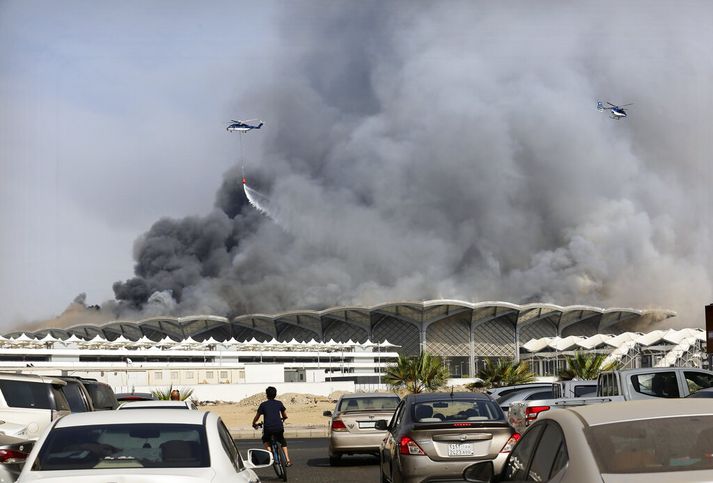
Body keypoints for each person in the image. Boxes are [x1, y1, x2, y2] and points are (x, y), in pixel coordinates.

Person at [252, 386, 292, 466]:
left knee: (265, 439)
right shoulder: (279, 403)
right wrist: (284, 418)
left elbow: (257, 417)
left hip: (268, 428)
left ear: (267, 395)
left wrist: (254, 423)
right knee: (282, 440)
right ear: (275, 394)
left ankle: (271, 455)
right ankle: (288, 460)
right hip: (279, 427)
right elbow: (284, 414)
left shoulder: (263, 405)